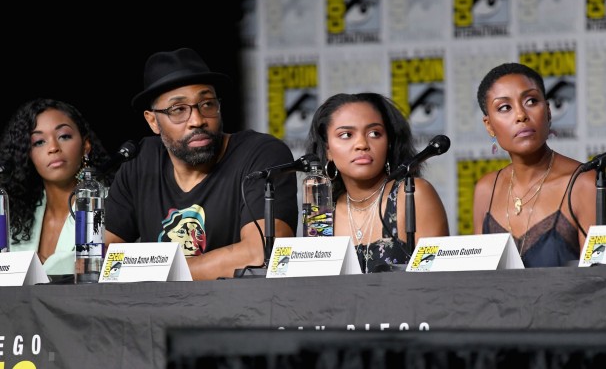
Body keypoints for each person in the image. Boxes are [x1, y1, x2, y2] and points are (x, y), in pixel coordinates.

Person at [104, 47, 299, 280]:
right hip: (155, 304)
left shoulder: (262, 155)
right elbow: (101, 258)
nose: (197, 120)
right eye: (178, 110)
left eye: (207, 104)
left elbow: (261, 255)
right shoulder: (139, 162)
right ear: (153, 121)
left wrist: (152, 271)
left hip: (239, 303)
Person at [304, 92, 449, 273]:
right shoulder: (321, 211)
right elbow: (315, 282)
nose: (362, 144)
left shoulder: (412, 194)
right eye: (346, 135)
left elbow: (436, 284)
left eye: (374, 133)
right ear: (328, 150)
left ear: (389, 143)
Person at [473, 62, 597, 267]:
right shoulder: (486, 189)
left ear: (548, 111)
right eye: (505, 108)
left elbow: (598, 280)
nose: (521, 115)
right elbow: (480, 278)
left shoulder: (584, 184)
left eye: (531, 101)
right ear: (489, 125)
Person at [0, 98, 113, 276]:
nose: (53, 147)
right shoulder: (16, 214)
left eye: (64, 136)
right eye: (39, 142)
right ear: (27, 155)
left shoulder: (110, 203)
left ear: (86, 146)